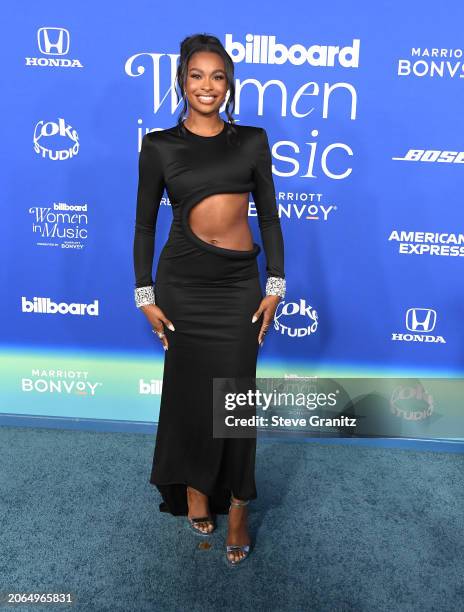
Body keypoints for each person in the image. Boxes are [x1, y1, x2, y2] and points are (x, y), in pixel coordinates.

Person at [133, 33, 285, 566]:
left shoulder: (251, 141)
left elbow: (268, 216)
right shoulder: (159, 146)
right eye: (197, 75)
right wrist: (144, 293)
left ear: (229, 85)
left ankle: (239, 505)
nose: (207, 86)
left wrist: (275, 285)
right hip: (182, 283)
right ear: (181, 81)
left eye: (218, 76)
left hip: (239, 285)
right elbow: (145, 225)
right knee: (189, 395)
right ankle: (196, 488)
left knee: (236, 403)